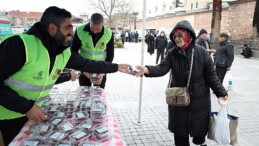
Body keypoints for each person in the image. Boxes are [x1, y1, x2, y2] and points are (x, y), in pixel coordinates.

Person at [0, 6, 130, 145]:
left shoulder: (62, 52)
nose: (71, 32)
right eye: (68, 27)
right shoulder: (20, 44)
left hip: (36, 115)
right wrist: (26, 107)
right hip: (10, 117)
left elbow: (88, 64)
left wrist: (116, 67)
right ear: (52, 28)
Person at [134, 20, 228, 146]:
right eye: (175, 36)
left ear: (188, 35)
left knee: (199, 135)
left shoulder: (201, 53)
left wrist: (221, 92)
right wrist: (147, 69)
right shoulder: (172, 53)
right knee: (180, 136)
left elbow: (212, 76)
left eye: (180, 35)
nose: (177, 39)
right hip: (179, 100)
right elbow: (162, 68)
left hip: (199, 101)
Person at [71, 13, 115, 89]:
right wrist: (82, 69)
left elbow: (110, 55)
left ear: (103, 24)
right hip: (84, 67)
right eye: (92, 28)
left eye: (98, 29)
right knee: (84, 93)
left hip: (101, 68)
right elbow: (73, 52)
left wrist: (103, 72)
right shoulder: (79, 31)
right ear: (89, 22)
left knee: (99, 94)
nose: (95, 32)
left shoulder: (109, 33)